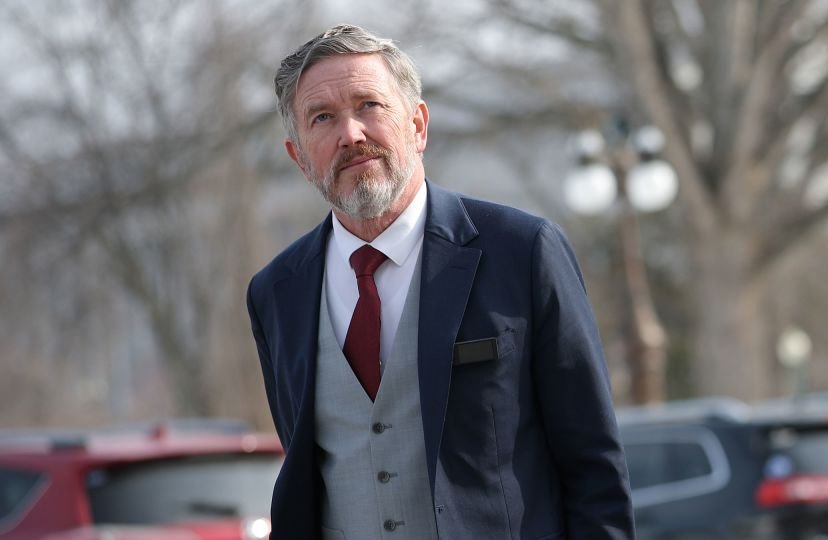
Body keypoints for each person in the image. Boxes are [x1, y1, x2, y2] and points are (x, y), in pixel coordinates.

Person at [246, 24, 635, 540]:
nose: (351, 134)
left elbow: (594, 469)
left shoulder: (522, 252)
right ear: (298, 157)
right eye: (323, 118)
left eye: (369, 105)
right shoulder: (276, 293)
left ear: (418, 125)